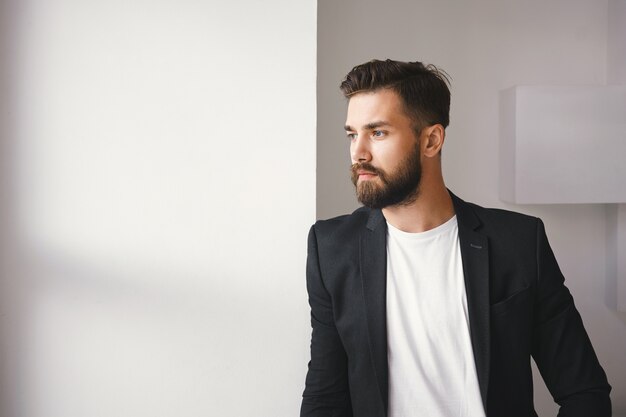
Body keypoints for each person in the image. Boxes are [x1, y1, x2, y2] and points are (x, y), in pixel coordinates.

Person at [300, 59, 611, 417]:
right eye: (352, 134)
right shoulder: (331, 249)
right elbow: (324, 399)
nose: (359, 153)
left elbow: (584, 392)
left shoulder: (520, 243)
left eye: (378, 132)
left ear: (431, 140)